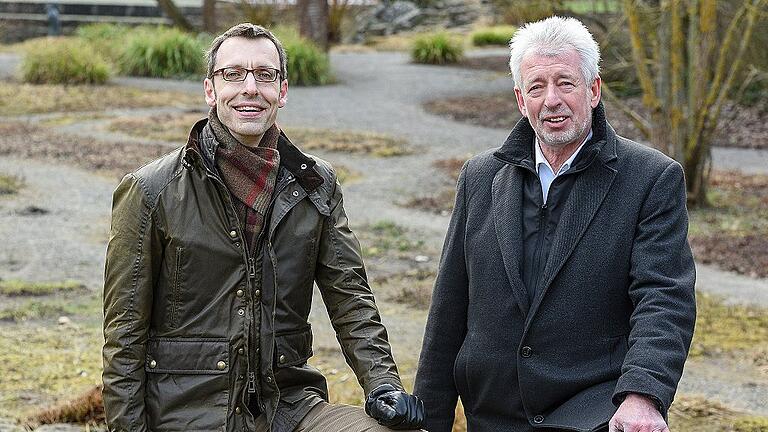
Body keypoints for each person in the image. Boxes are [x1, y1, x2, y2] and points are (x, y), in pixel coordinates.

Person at [102, 23, 424, 432]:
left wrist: (383, 386)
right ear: (210, 90)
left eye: (265, 75)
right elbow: (123, 338)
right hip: (186, 412)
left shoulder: (314, 184)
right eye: (233, 74)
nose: (250, 87)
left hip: (287, 405)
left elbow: (351, 299)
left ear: (282, 92)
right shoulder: (152, 191)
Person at [414, 16, 696, 432]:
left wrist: (643, 394)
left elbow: (664, 299)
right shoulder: (479, 177)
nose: (551, 100)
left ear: (594, 90)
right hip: (493, 416)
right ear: (519, 98)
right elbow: (449, 310)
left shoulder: (651, 178)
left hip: (594, 414)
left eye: (565, 83)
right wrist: (427, 418)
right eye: (536, 86)